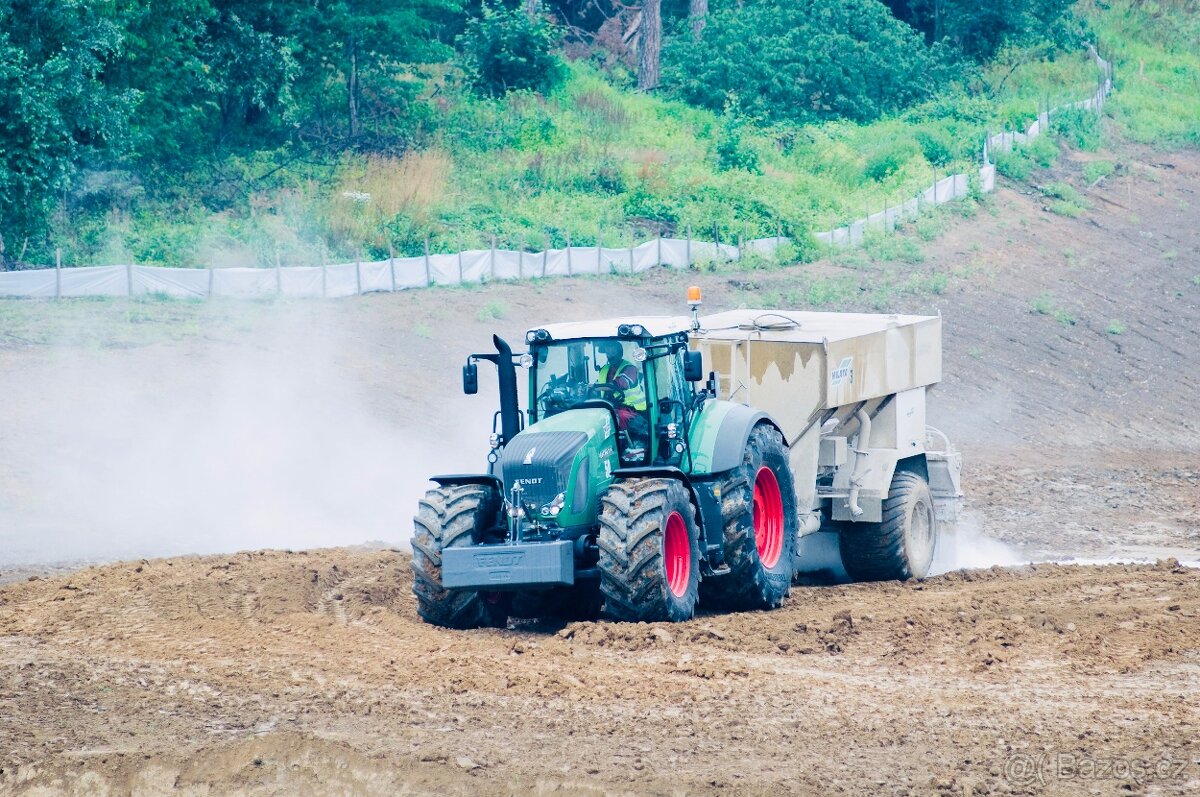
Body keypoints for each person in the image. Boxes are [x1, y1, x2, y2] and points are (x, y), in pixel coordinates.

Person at [595, 340, 647, 439]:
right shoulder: (605, 369)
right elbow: (597, 386)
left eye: (612, 352)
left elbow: (622, 382)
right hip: (609, 408)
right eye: (607, 352)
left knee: (619, 418)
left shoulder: (630, 368)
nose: (609, 355)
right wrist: (586, 389)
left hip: (633, 410)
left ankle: (633, 445)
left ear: (620, 352)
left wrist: (611, 384)